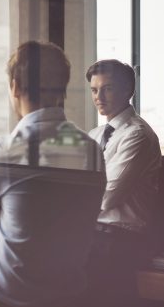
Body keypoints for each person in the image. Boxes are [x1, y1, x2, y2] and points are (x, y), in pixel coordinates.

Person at [0, 41, 106, 307]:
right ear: (62, 88)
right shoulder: (93, 152)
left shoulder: (6, 151)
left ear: (15, 86)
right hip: (72, 298)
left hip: (6, 300)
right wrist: (13, 210)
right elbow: (54, 215)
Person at [85, 59, 161, 306]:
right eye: (94, 90)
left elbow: (107, 197)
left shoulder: (137, 135)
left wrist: (74, 194)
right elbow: (70, 181)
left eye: (107, 88)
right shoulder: (94, 135)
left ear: (128, 90)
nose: (99, 97)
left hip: (120, 240)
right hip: (93, 234)